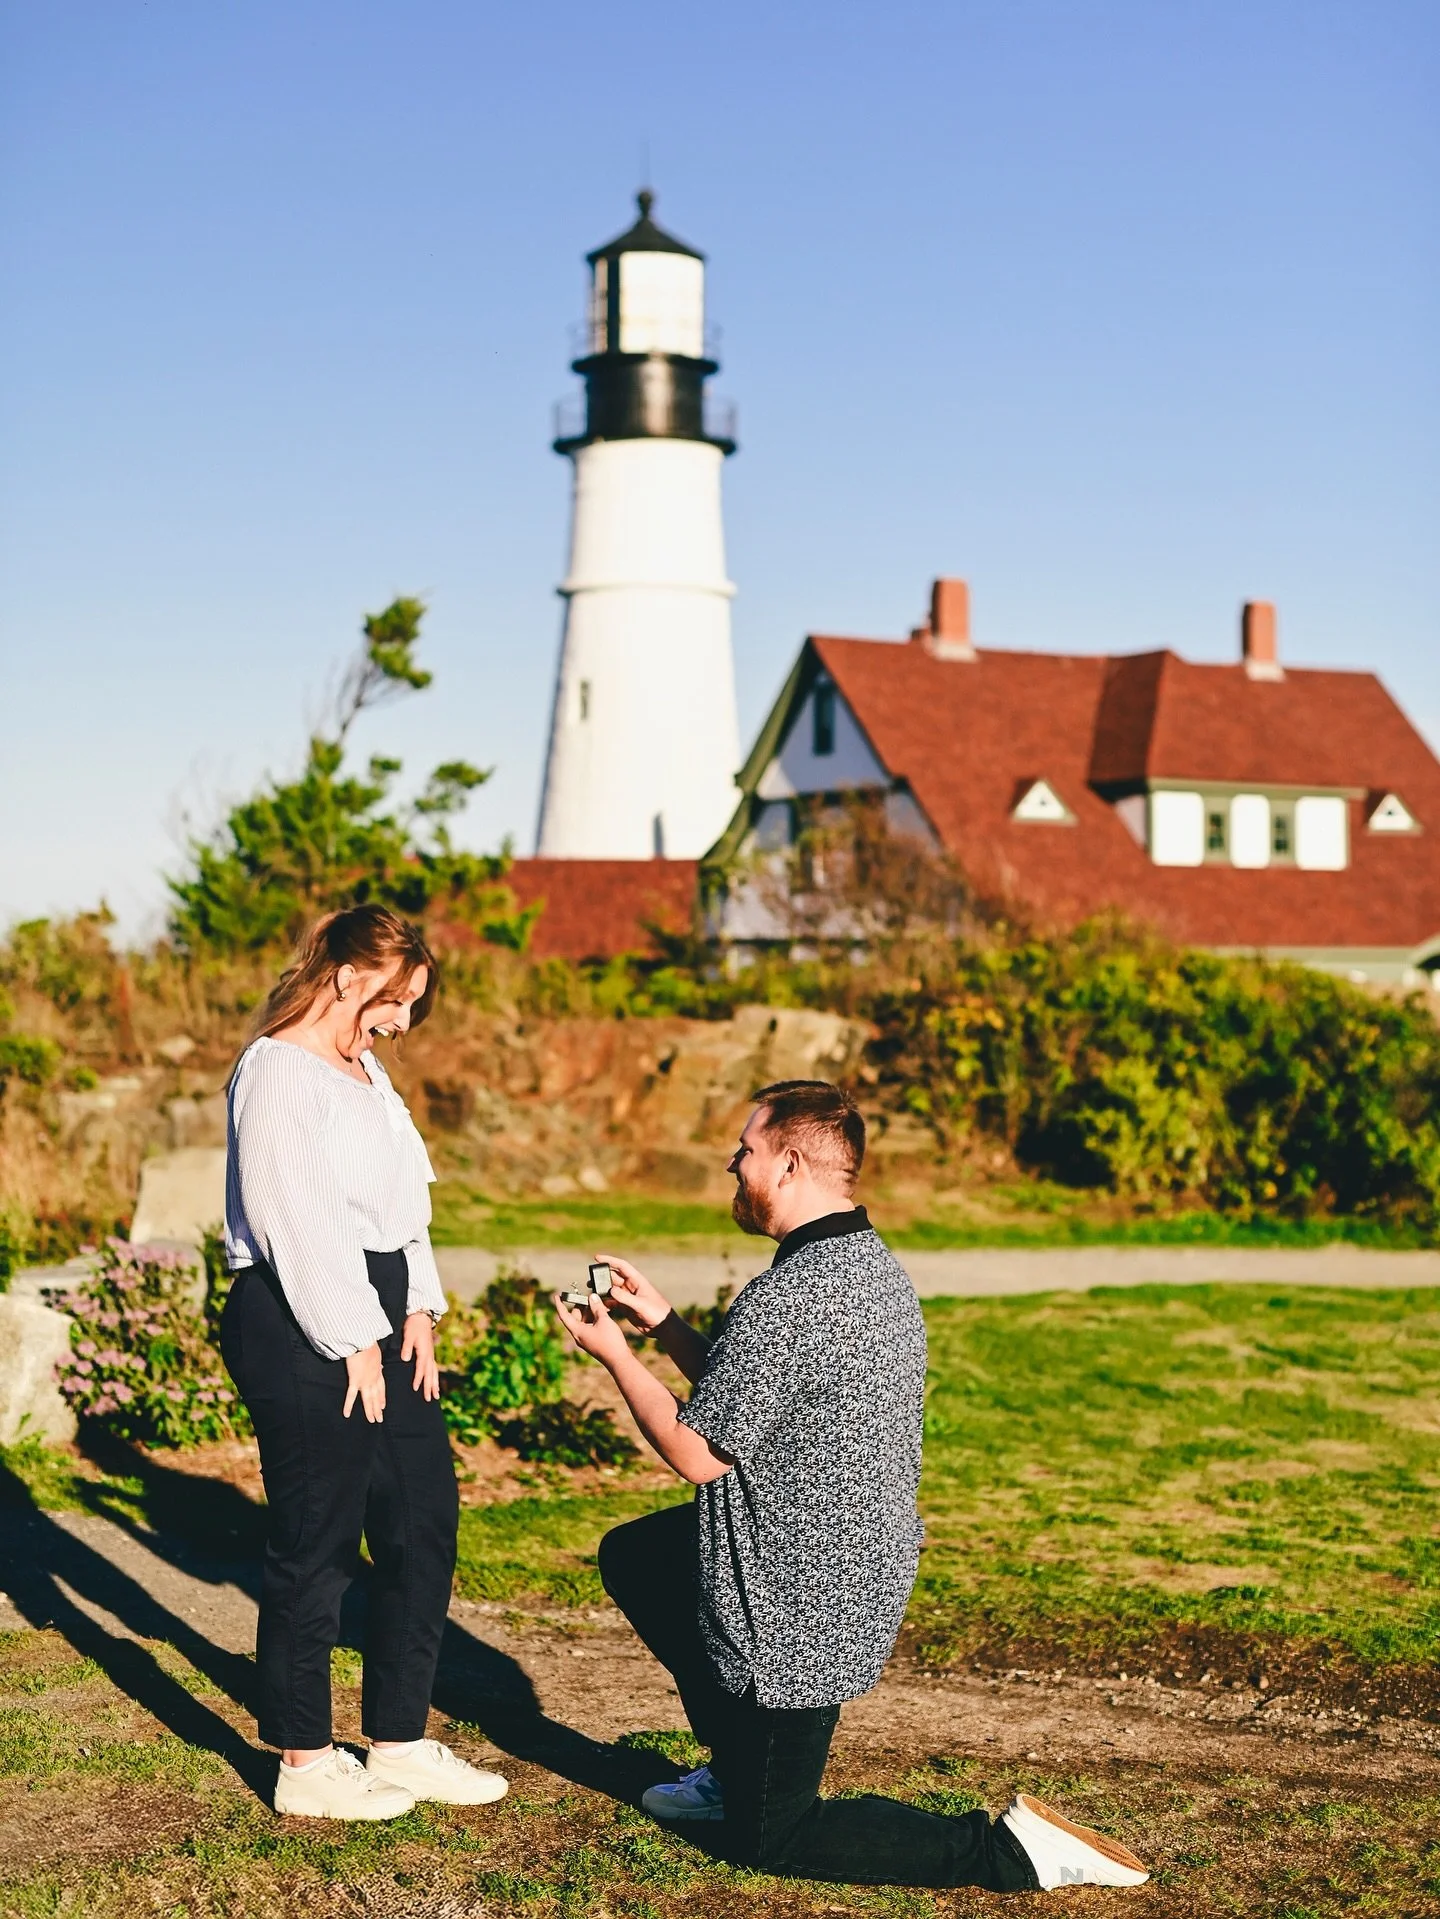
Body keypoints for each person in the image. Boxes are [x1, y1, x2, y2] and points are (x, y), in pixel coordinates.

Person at [554, 1079, 1149, 1892]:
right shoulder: (865, 1266)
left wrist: (616, 1355)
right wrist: (661, 1322)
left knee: (775, 1837)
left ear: (789, 1163)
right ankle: (737, 1763)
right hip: (846, 1567)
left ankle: (1011, 1850)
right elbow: (749, 1393)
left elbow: (698, 1453)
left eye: (747, 1148)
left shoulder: (790, 1296)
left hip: (794, 1606)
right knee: (641, 1555)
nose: (732, 1163)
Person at [220, 905, 507, 1820]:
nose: (404, 1021)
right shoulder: (276, 1069)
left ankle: (399, 1738)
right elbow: (292, 1219)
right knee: (320, 1536)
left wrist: (416, 1303)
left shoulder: (366, 1072)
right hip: (297, 1311)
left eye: (415, 1003)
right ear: (346, 977)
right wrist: (353, 1337)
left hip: (379, 1306)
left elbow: (400, 1197)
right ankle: (304, 1760)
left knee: (422, 1517)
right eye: (394, 999)